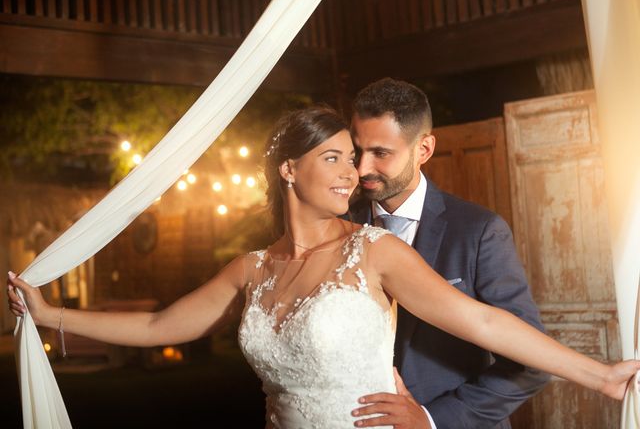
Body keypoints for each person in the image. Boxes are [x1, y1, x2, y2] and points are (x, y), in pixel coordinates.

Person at [7, 105, 639, 429]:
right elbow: (159, 326)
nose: (351, 174)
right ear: (289, 169)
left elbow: (485, 323)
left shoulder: (376, 251)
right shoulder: (251, 267)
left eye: (352, 159)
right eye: (333, 158)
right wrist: (49, 313)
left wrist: (602, 375)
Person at [348, 78, 549, 428]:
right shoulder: (337, 226)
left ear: (423, 149)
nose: (362, 168)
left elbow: (531, 362)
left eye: (380, 153)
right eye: (357, 150)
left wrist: (431, 419)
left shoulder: (479, 231)